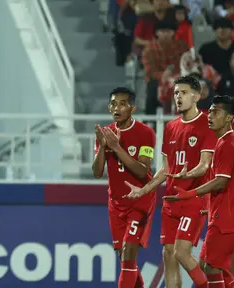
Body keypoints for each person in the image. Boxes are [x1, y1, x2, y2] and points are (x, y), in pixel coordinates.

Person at [124, 75, 218, 288]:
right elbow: (166, 169)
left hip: (194, 198)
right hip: (171, 200)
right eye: (176, 93)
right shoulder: (170, 127)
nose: (178, 97)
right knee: (168, 254)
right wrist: (143, 190)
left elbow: (205, 165)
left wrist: (187, 175)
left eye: (183, 93)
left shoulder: (206, 123)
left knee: (182, 253)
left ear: (196, 96)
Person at [163, 95, 234, 288]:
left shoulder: (226, 144)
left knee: (211, 267)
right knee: (207, 265)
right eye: (209, 111)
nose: (210, 116)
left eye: (216, 112)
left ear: (229, 117)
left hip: (226, 218)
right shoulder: (230, 142)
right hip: (224, 216)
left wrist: (190, 193)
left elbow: (220, 182)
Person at [92, 87, 156, 288]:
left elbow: (142, 170)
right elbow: (96, 172)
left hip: (140, 200)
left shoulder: (146, 133)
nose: (116, 108)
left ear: (133, 108)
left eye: (122, 103)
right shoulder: (105, 134)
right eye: (113, 103)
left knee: (129, 252)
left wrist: (117, 148)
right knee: (125, 259)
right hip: (116, 203)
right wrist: (102, 147)